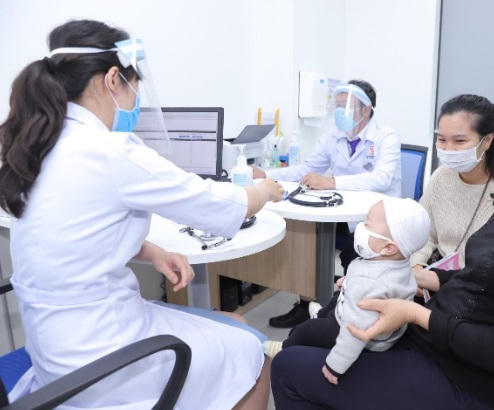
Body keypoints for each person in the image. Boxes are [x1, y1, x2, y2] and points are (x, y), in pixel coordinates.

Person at [270, 65, 494, 410]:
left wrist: (415, 314)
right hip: (441, 342)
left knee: (288, 368)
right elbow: (484, 278)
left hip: (468, 383)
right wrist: (421, 277)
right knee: (312, 336)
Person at [0, 20, 284, 409]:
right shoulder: (109, 151)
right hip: (103, 362)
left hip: (55, 354)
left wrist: (151, 251)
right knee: (254, 351)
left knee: (234, 325)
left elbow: (77, 238)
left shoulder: (36, 146)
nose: (136, 99)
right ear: (112, 80)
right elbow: (221, 205)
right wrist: (264, 190)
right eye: (134, 86)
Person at [254, 80, 402, 328]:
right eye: (338, 106)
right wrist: (267, 175)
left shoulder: (386, 137)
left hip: (377, 219)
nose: (340, 112)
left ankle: (349, 309)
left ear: (366, 110)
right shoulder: (333, 136)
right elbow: (307, 169)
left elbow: (382, 178)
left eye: (347, 106)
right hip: (341, 212)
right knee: (306, 240)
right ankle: (306, 305)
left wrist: (332, 182)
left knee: (354, 255)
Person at [264, 198, 429, 386]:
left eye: (367, 225)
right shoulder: (396, 264)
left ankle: (284, 347)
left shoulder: (369, 283)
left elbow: (355, 332)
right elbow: (376, 282)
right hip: (367, 318)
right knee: (335, 300)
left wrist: (336, 365)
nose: (360, 227)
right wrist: (351, 281)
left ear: (389, 247)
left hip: (358, 335)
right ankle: (321, 314)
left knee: (305, 330)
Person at [411, 94, 494, 272]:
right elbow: (425, 234)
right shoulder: (441, 177)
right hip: (437, 273)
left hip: (481, 280)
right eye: (442, 139)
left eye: (459, 141)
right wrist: (417, 265)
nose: (449, 149)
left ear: (487, 141)